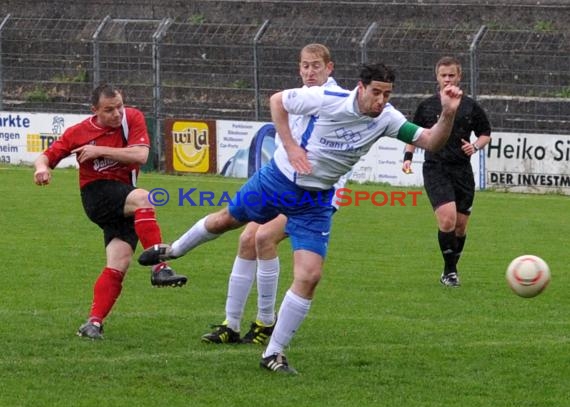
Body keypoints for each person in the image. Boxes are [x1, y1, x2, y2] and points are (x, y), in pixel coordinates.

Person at [138, 63, 463, 374]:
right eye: (376, 92)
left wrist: (447, 113)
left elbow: (432, 140)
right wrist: (292, 147)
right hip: (278, 180)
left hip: (316, 201)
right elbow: (277, 101)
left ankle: (273, 352)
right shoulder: (328, 99)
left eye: (387, 94)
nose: (381, 101)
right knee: (227, 222)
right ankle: (173, 251)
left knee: (309, 276)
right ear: (361, 87)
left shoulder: (388, 118)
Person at [201, 43, 346, 346]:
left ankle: (265, 322)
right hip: (285, 185)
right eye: (305, 65)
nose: (309, 71)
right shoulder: (296, 98)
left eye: (316, 66)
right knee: (245, 239)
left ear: (329, 68)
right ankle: (231, 324)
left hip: (313, 195)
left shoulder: (337, 101)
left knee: (263, 238)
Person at [33, 84, 187, 340]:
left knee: (119, 262)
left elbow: (140, 155)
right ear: (94, 110)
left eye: (119, 107)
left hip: (123, 197)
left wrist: (99, 150)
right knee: (144, 198)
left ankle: (93, 323)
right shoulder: (78, 132)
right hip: (96, 194)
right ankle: (160, 267)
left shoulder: (132, 118)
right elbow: (45, 156)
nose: (117, 114)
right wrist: (42, 169)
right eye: (109, 110)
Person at [402, 56, 491, 287]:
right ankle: (450, 273)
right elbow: (413, 133)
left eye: (452, 75)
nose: (448, 79)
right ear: (437, 77)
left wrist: (475, 146)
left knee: (460, 227)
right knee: (447, 219)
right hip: (435, 168)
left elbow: (485, 133)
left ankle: (450, 270)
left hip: (462, 170)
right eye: (444, 75)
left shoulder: (471, 106)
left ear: (459, 76)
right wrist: (408, 157)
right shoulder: (427, 106)